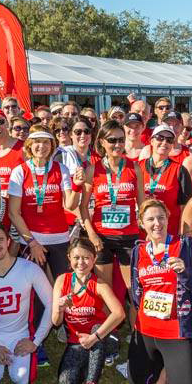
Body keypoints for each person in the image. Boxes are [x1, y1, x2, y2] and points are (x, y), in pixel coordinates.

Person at [127, 200, 192, 384]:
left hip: (177, 330)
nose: (157, 223)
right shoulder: (138, 251)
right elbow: (136, 290)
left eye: (161, 217)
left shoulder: (184, 245)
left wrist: (186, 273)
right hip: (147, 329)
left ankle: (185, 368)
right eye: (150, 219)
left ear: (168, 219)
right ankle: (171, 368)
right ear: (141, 224)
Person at [0, 223, 53, 384]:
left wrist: (35, 342)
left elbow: (52, 304)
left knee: (23, 380)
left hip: (20, 334)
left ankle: (20, 359)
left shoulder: (29, 268)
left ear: (8, 241)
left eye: (0, 239)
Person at [50, 238, 125, 384]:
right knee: (67, 383)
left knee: (96, 329)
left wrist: (94, 337)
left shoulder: (99, 285)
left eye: (86, 258)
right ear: (69, 257)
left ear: (94, 259)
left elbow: (119, 313)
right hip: (77, 341)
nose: (81, 262)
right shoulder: (62, 281)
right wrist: (59, 308)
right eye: (76, 258)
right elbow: (56, 322)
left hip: (101, 335)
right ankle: (95, 360)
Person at [7, 126, 79, 278]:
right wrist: (32, 243)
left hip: (60, 238)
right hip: (31, 239)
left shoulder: (61, 169)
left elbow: (70, 205)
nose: (42, 146)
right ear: (29, 146)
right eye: (37, 142)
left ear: (52, 145)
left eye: (46, 142)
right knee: (35, 291)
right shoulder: (19, 171)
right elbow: (13, 213)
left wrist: (77, 186)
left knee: (62, 286)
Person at [84, 122, 144, 290]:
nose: (117, 144)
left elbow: (143, 204)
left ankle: (133, 317)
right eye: (112, 140)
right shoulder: (92, 170)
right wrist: (92, 235)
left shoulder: (135, 168)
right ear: (102, 141)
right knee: (105, 290)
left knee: (133, 289)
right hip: (102, 236)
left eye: (121, 140)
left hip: (128, 235)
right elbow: (83, 207)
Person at [138, 124, 192, 228]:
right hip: (142, 231)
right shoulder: (138, 167)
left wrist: (181, 233)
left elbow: (185, 208)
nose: (164, 142)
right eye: (160, 138)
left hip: (169, 231)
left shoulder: (179, 170)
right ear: (151, 141)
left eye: (169, 140)